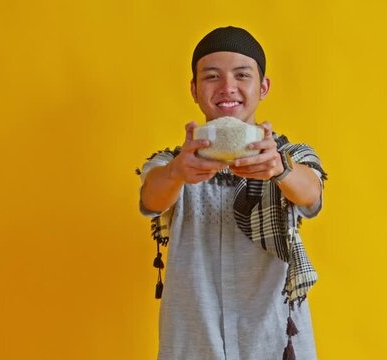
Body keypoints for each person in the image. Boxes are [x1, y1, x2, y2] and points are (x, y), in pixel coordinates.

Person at [138, 26, 327, 360]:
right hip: (194, 336)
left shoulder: (288, 156)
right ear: (194, 90)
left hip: (273, 335)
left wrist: (279, 169)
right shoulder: (173, 162)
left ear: (263, 86)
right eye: (212, 76)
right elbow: (150, 198)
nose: (228, 88)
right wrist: (177, 173)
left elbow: (311, 194)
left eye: (242, 75)